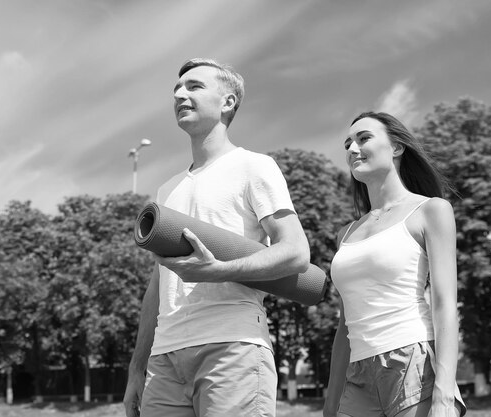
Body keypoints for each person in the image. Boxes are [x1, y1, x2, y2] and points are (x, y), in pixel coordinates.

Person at [123, 58, 310, 417]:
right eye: (177, 89)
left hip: (232, 346)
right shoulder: (167, 189)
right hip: (165, 358)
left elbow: (296, 253)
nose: (180, 94)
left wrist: (215, 270)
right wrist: (136, 368)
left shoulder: (254, 166)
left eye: (194, 86)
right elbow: (157, 285)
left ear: (228, 103)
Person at [323, 112, 467, 417]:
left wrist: (444, 392)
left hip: (412, 362)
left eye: (363, 138)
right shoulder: (345, 234)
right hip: (358, 374)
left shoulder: (430, 211)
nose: (351, 149)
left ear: (397, 148)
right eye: (347, 143)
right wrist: (332, 397)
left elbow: (444, 303)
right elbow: (344, 324)